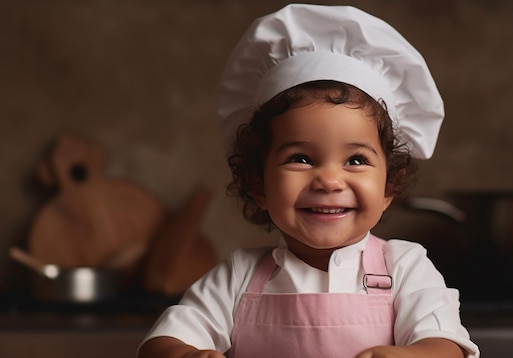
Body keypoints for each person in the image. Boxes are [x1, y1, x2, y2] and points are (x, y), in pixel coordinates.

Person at [138, 4, 479, 358]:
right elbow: (162, 343)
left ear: (389, 185)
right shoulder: (238, 276)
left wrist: (412, 355)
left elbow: (446, 347)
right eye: (300, 158)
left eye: (356, 160)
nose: (330, 180)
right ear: (257, 184)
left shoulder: (406, 268)